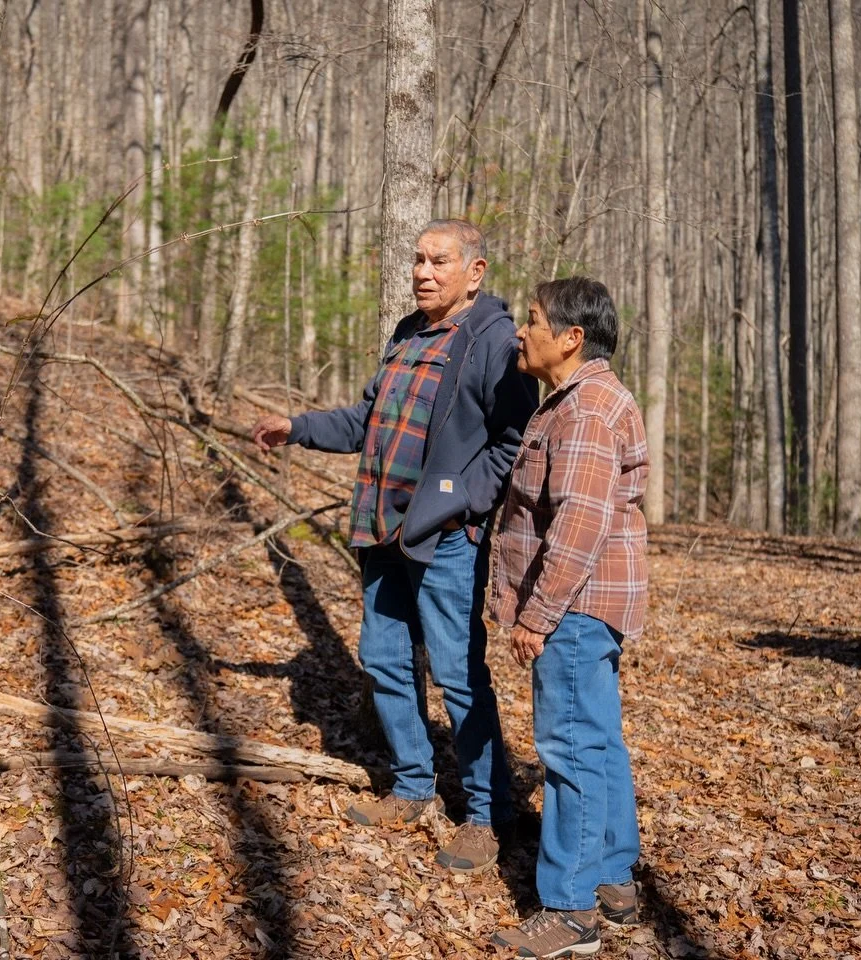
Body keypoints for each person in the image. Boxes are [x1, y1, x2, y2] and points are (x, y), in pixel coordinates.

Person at [252, 219, 536, 874]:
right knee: (382, 656)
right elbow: (365, 420)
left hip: (442, 538)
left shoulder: (494, 340)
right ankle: (411, 786)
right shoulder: (408, 335)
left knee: (459, 674)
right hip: (379, 526)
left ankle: (485, 815)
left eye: (439, 261)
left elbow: (513, 440)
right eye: (417, 259)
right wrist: (297, 426)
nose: (423, 271)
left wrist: (464, 508)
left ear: (476, 270)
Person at [488, 277, 648, 959]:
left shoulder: (584, 409)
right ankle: (613, 877)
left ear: (571, 337)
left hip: (575, 605)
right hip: (593, 603)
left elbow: (579, 523)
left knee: (571, 747)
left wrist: (538, 614)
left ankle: (572, 907)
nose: (521, 333)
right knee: (598, 738)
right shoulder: (584, 400)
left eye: (532, 321)